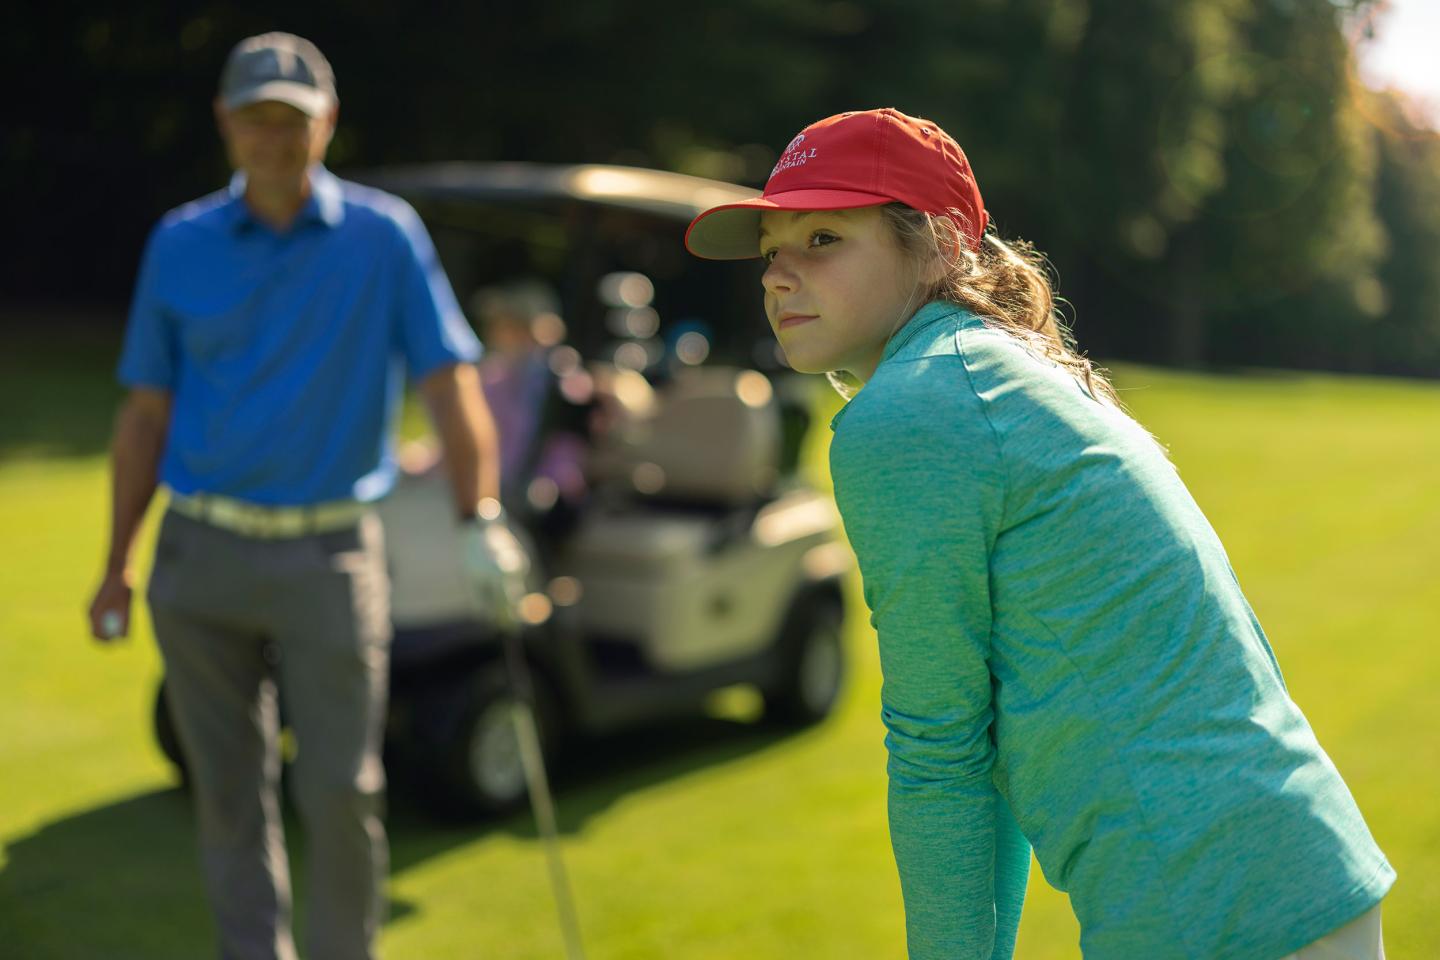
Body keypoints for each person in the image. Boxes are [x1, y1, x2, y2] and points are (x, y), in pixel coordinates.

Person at [684, 108, 1394, 960]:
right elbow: (985, 745)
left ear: (942, 245)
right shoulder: (992, 372)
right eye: (771, 251)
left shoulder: (913, 412)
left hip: (1212, 907)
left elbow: (938, 747)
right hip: (1291, 874)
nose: (779, 277)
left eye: (824, 239)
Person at [85, 32, 525, 960]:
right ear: (226, 123)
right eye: (257, 118)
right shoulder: (181, 242)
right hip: (199, 556)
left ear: (326, 124)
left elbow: (451, 387)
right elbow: (144, 417)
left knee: (341, 790)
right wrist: (117, 564)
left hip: (331, 556)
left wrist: (479, 518)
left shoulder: (383, 235)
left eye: (293, 120)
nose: (274, 138)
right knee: (229, 794)